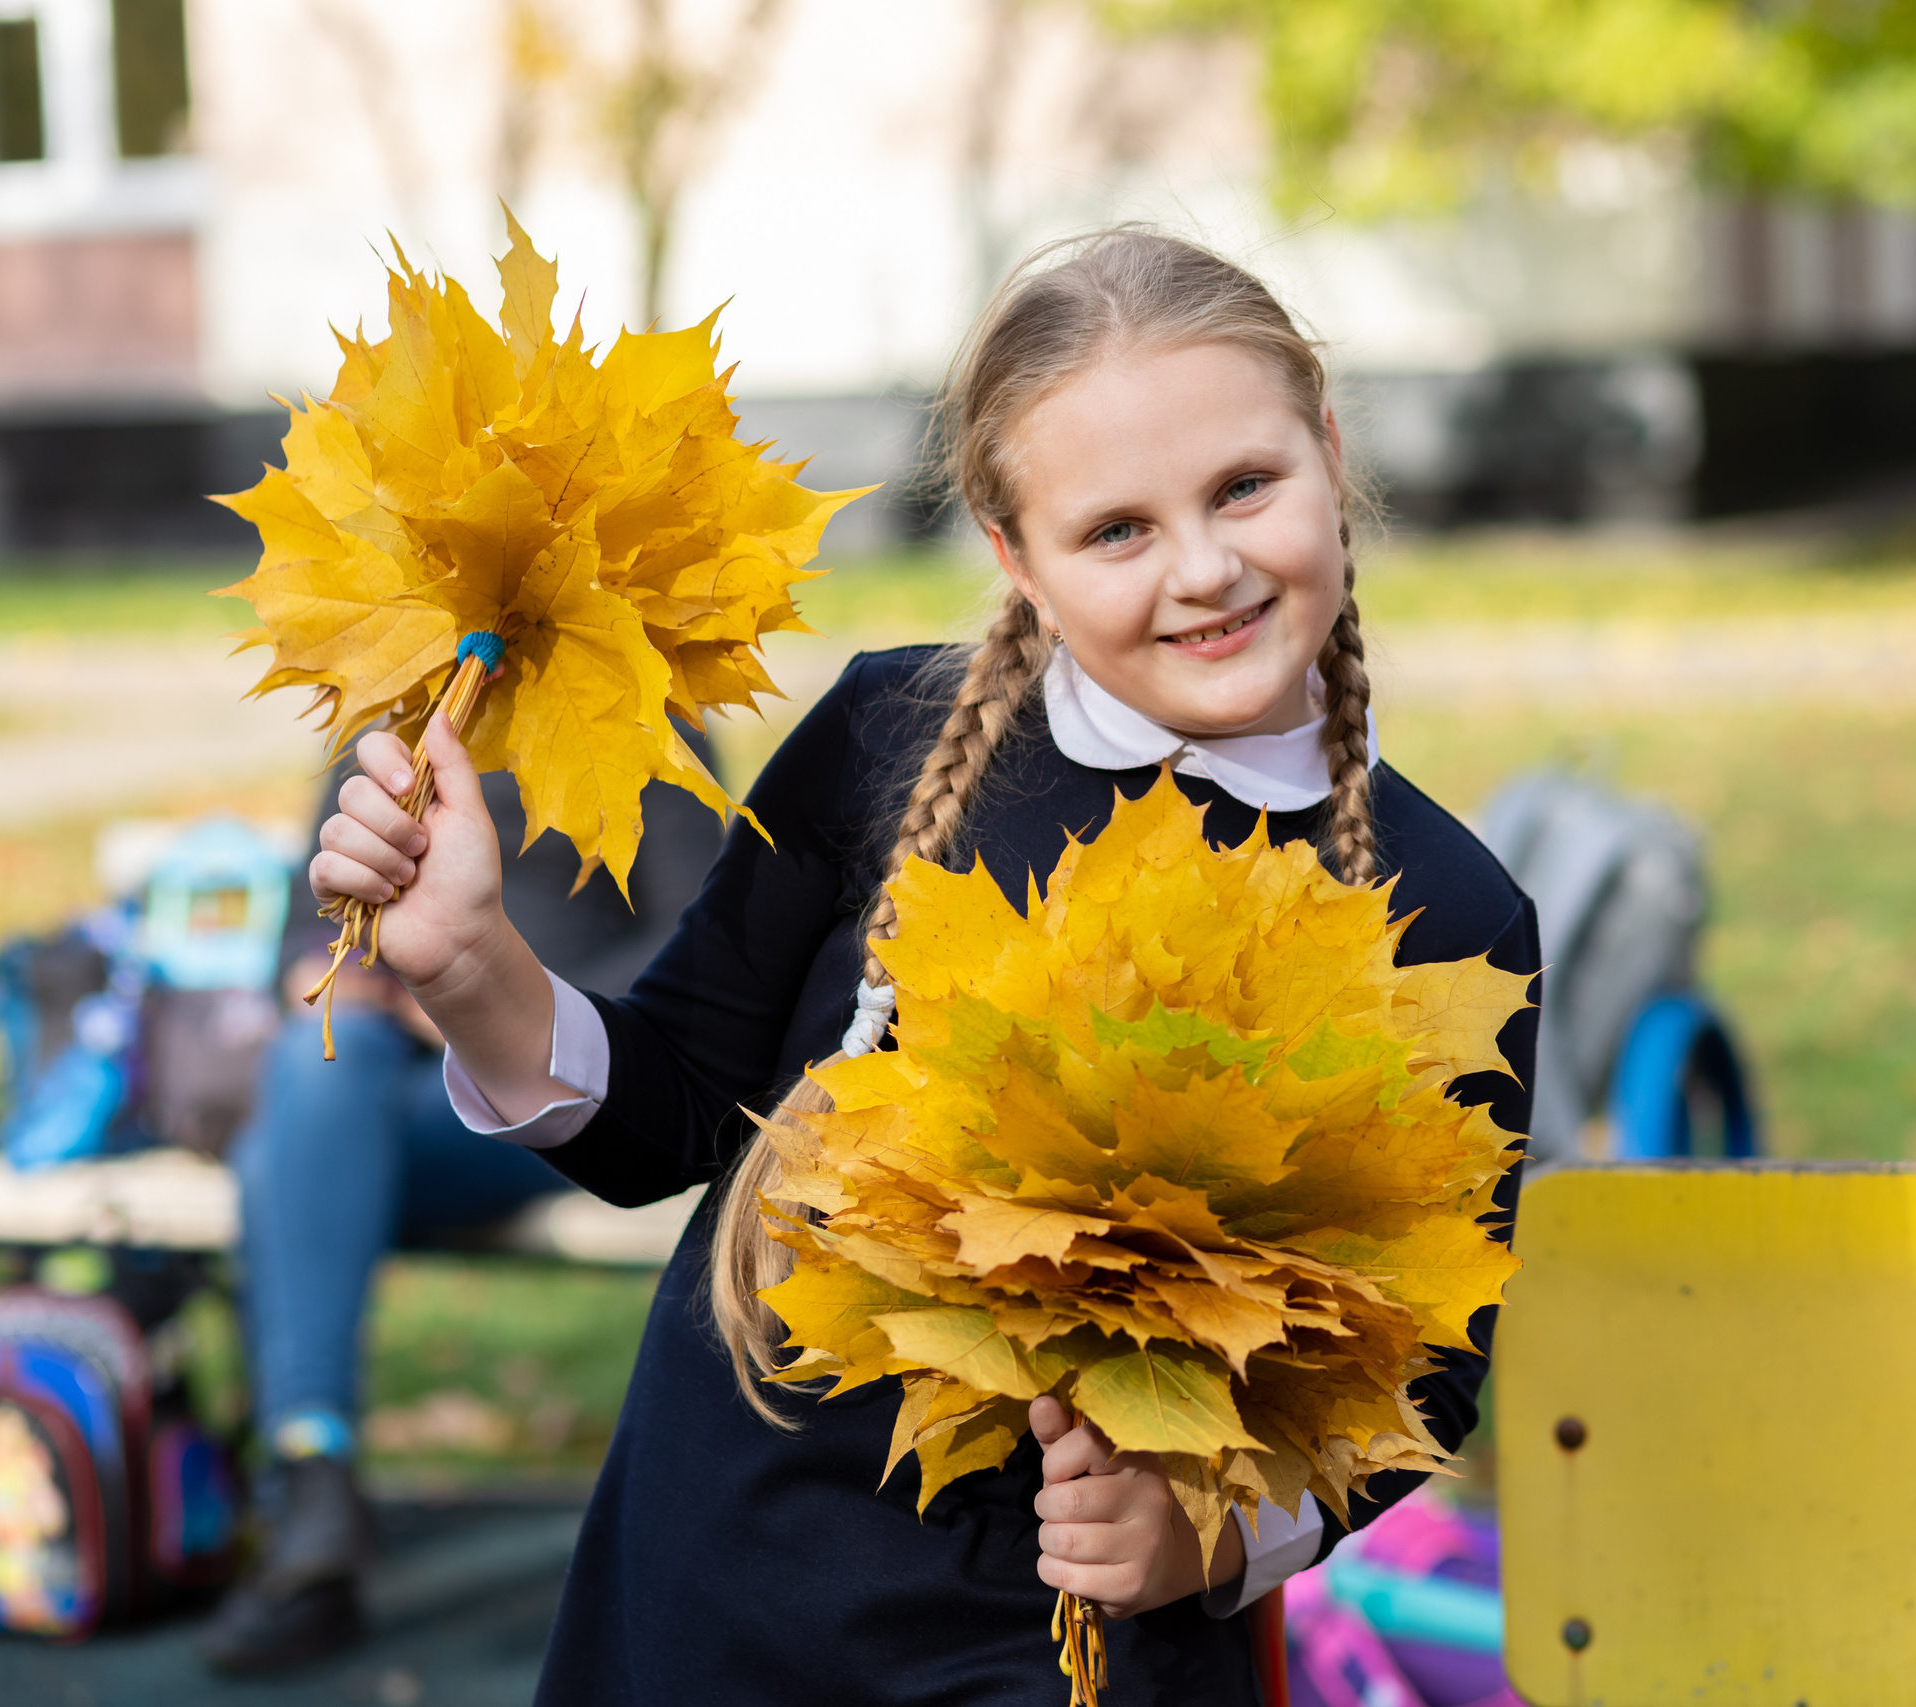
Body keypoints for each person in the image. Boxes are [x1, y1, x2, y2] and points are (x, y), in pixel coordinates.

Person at [305, 229, 1541, 1706]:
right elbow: (672, 1114)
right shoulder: (885, 740)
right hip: (716, 1577)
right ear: (1014, 556)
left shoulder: (1449, 907)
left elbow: (1427, 1371)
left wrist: (1202, 1536)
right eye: (1117, 530)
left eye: (1245, 488)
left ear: (1330, 452)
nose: (1205, 569)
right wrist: (473, 964)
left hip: (1066, 1645)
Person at [199, 750, 725, 1675]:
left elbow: (690, 957)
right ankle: (314, 1469)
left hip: (550, 1099)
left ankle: (308, 1496)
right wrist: (339, 982)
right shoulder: (405, 723)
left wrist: (469, 1001)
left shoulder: (643, 735)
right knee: (317, 1068)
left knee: (284, 1148)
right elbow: (300, 932)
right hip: (379, 1093)